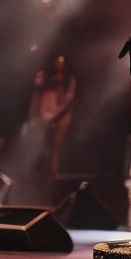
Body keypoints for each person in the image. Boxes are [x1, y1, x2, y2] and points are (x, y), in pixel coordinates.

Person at [25, 55, 76, 199]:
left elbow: (68, 101)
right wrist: (33, 117)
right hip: (44, 117)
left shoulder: (68, 80)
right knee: (41, 148)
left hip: (60, 118)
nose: (59, 64)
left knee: (55, 150)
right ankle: (38, 177)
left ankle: (51, 180)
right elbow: (37, 95)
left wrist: (56, 117)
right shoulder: (47, 78)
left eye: (62, 62)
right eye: (57, 61)